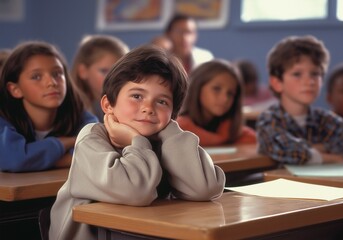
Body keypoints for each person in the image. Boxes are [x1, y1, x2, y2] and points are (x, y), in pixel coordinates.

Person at [49, 45, 225, 240]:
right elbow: (135, 191)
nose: (148, 108)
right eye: (137, 96)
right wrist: (136, 142)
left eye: (162, 102)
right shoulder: (92, 138)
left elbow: (204, 188)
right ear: (108, 105)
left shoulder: (165, 139)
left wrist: (170, 128)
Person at [257, 35, 343, 164]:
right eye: (297, 74)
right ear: (277, 83)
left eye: (315, 74)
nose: (309, 81)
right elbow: (281, 148)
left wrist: (320, 148)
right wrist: (330, 157)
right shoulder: (269, 119)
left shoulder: (323, 119)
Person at [0, 41, 98, 172]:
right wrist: (68, 142)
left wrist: (35, 160)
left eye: (57, 74)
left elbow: (97, 151)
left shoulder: (81, 117)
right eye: (36, 76)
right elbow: (14, 160)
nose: (51, 82)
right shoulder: (3, 120)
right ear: (15, 89)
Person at [177, 59, 257, 146]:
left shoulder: (236, 133)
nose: (225, 98)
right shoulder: (176, 131)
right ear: (197, 87)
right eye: (217, 89)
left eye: (230, 93)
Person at [71, 34, 129, 121]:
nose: (113, 77)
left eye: (120, 71)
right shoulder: (74, 109)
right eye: (104, 71)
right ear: (83, 71)